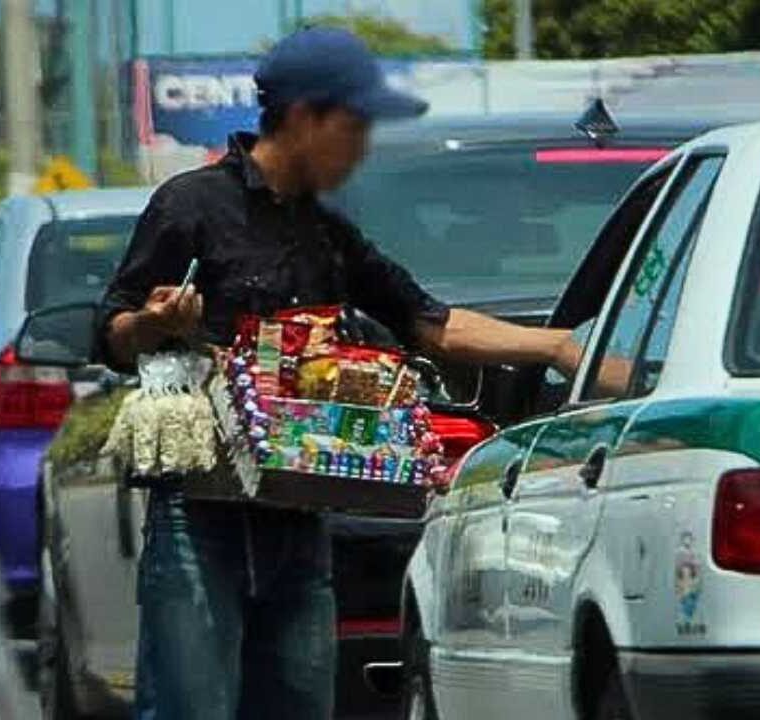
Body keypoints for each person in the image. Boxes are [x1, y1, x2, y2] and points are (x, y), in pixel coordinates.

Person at [102, 27, 584, 720]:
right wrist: (155, 324)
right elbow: (112, 331)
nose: (361, 149)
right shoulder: (190, 205)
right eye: (353, 128)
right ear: (303, 118)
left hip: (298, 516)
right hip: (199, 519)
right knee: (188, 705)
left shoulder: (327, 232)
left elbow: (431, 323)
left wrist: (561, 349)